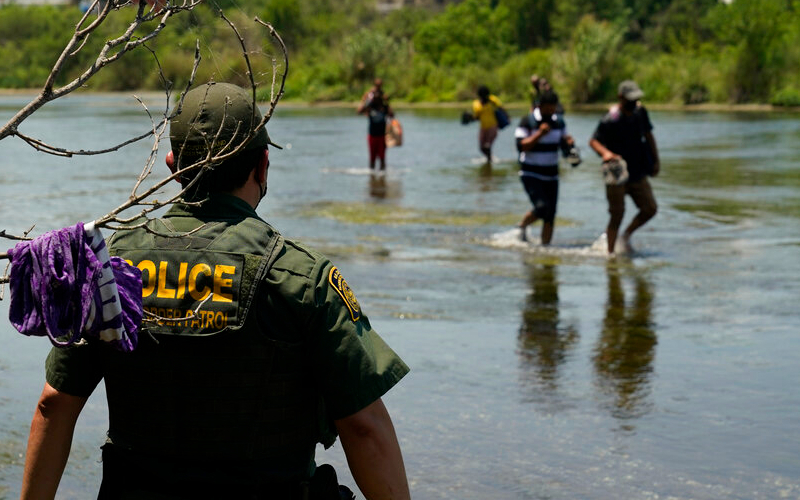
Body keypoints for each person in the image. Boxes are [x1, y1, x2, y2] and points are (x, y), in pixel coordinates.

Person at [20, 82, 411, 500]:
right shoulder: (299, 276)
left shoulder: (106, 268)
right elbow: (365, 427)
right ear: (262, 166)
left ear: (172, 166)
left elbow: (54, 404)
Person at [589, 80, 660, 254]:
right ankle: (611, 254)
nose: (634, 103)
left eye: (636, 99)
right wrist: (606, 154)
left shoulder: (640, 113)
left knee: (650, 208)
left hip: (638, 170)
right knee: (617, 215)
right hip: (616, 172)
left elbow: (649, 135)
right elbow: (593, 141)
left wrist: (656, 160)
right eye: (630, 100)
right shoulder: (609, 119)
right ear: (620, 98)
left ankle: (626, 235)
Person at [515, 89, 575, 245]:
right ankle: (522, 226)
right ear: (539, 106)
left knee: (550, 215)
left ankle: (545, 247)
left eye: (553, 108)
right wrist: (539, 134)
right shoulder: (527, 121)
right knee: (542, 208)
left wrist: (569, 145)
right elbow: (521, 146)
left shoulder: (559, 122)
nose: (550, 112)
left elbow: (563, 145)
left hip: (552, 174)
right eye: (547, 108)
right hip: (530, 172)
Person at [357, 78, 394, 171]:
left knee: (382, 159)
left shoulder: (384, 106)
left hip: (382, 136)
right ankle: (372, 179)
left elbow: (392, 115)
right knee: (372, 159)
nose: (377, 95)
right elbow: (359, 111)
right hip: (372, 135)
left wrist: (386, 101)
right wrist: (367, 99)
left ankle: (382, 178)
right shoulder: (370, 106)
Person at [472, 85, 504, 164]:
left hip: (493, 126)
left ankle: (489, 162)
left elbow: (501, 108)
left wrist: (506, 118)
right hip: (483, 127)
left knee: (487, 145)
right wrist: (470, 118)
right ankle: (489, 159)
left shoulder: (493, 100)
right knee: (481, 147)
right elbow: (477, 117)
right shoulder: (476, 104)